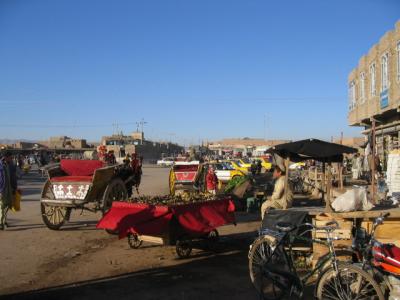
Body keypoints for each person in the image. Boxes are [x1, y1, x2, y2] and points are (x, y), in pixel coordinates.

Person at [0, 151, 18, 230]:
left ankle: (4, 220)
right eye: (10, 157)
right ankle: (0, 223)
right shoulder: (1, 166)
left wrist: (14, 187)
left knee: (7, 205)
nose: (11, 159)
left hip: (8, 189)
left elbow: (11, 177)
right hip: (2, 189)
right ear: (6, 157)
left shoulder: (8, 165)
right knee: (2, 206)